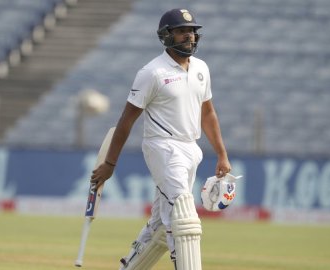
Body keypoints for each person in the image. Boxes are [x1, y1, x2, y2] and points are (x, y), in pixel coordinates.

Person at [90, 8, 231, 270]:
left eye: (192, 31)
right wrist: (110, 164)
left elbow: (208, 114)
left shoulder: (201, 68)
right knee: (184, 217)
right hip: (162, 148)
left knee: (159, 226)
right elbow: (126, 120)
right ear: (166, 36)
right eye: (182, 31)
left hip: (191, 149)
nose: (189, 36)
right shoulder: (151, 73)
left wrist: (222, 154)